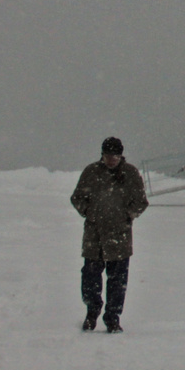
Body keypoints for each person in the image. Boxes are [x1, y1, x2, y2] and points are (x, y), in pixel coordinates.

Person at [69, 136, 148, 333]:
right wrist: (89, 212)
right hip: (93, 236)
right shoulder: (91, 172)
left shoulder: (130, 173)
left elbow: (141, 202)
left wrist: (126, 216)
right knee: (90, 277)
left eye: (114, 156)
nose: (111, 160)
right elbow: (77, 197)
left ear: (121, 156)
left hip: (120, 237)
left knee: (118, 280)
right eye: (107, 156)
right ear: (102, 155)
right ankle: (92, 311)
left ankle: (113, 317)